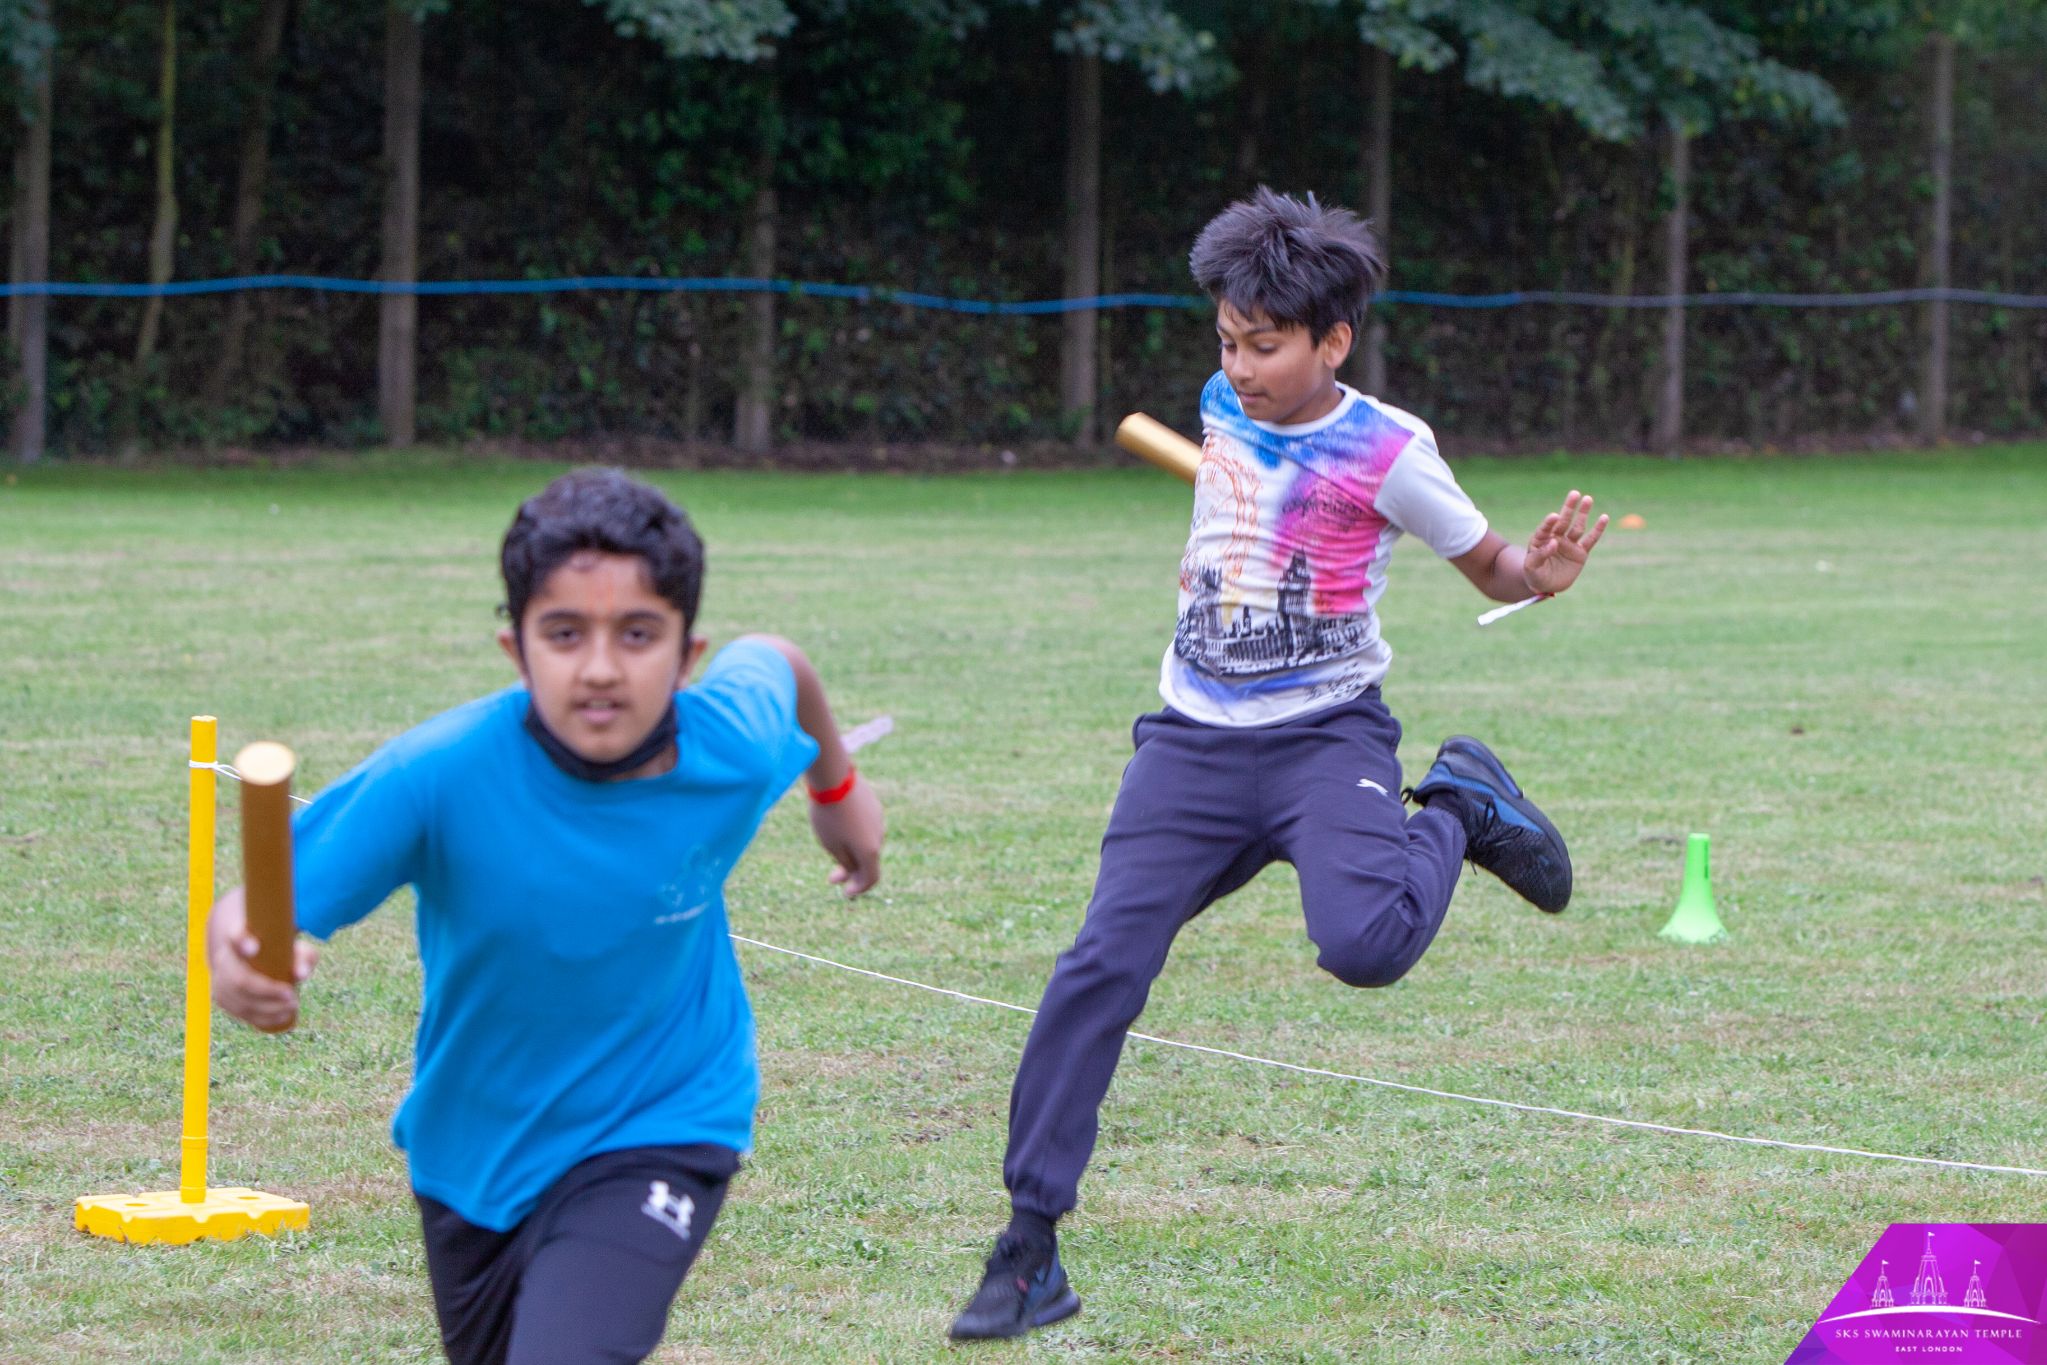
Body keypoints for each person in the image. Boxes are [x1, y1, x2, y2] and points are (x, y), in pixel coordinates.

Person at [948, 187, 1608, 1341]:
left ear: (1333, 340)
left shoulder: (1390, 450)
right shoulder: (1221, 405)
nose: (1240, 368)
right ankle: (1027, 1248)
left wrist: (1536, 575)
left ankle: (1456, 803)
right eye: (1227, 341)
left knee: (1365, 945)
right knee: (1098, 967)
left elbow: (1490, 563)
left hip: (1324, 739)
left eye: (1265, 346)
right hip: (1189, 745)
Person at [207, 467, 885, 1365]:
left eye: (637, 633)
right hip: (475, 1156)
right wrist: (236, 960)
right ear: (516, 649)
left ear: (687, 654)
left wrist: (836, 790)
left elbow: (777, 658)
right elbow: (253, 908)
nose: (600, 667)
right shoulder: (437, 775)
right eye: (564, 633)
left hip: (665, 1118)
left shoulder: (731, 742)